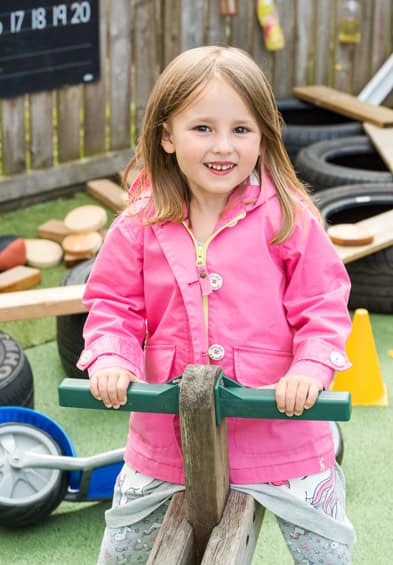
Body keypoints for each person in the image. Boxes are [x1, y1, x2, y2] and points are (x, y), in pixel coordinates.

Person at [77, 45, 355, 564]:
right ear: (166, 136)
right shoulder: (140, 223)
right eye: (202, 128)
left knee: (326, 550)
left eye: (241, 130)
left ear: (263, 136)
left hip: (279, 430)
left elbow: (322, 303)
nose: (222, 146)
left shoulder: (287, 218)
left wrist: (311, 369)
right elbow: (114, 305)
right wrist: (113, 358)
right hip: (167, 438)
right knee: (122, 549)